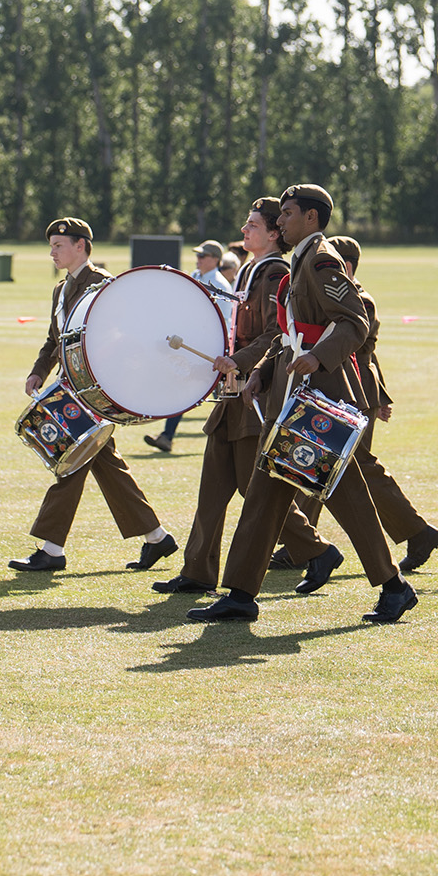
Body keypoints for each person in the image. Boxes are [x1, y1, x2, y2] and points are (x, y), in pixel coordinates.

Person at [187, 184, 419, 625]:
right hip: (295, 397)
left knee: (343, 498)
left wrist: (318, 358)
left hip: (319, 399)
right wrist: (262, 371)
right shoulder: (301, 259)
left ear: (311, 218)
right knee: (265, 496)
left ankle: (394, 586)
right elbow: (290, 333)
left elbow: (355, 320)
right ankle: (241, 595)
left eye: (288, 214)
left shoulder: (321, 259)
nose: (280, 222)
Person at [153, 199, 333, 595]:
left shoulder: (274, 272)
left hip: (253, 394)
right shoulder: (250, 270)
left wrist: (239, 360)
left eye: (252, 225)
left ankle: (317, 551)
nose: (243, 230)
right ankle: (197, 572)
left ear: (273, 233)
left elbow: (275, 334)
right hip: (232, 393)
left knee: (256, 489)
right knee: (213, 487)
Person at [12, 218, 177, 574]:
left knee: (72, 459)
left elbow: (124, 334)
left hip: (97, 388)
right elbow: (54, 339)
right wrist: (38, 371)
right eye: (51, 246)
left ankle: (52, 549)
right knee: (103, 463)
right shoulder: (60, 289)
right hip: (72, 387)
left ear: (81, 246)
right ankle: (156, 537)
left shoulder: (103, 284)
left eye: (59, 245)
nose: (52, 252)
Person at [291, 236, 438, 581]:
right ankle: (304, 541)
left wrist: (379, 398)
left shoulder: (359, 299)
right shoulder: (343, 296)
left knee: (353, 467)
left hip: (353, 392)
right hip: (344, 390)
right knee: (330, 464)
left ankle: (417, 532)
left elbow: (363, 352)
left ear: (345, 266)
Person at [143, 239, 235, 453]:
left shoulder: (220, 285)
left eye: (203, 256)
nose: (198, 259)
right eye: (197, 255)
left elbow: (222, 322)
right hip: (192, 346)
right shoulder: (195, 277)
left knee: (222, 396)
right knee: (184, 387)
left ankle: (232, 439)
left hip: (211, 349)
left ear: (215, 259)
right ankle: (167, 436)